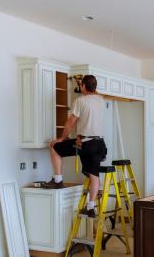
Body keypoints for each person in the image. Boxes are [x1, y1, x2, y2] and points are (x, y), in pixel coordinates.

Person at [44, 75, 107, 218]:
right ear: (95, 87)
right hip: (99, 144)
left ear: (83, 86)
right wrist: (85, 84)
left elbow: (70, 123)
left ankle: (58, 180)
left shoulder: (80, 101)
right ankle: (91, 207)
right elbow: (93, 93)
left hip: (86, 143)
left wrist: (61, 138)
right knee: (94, 175)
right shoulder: (101, 100)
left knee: (54, 147)